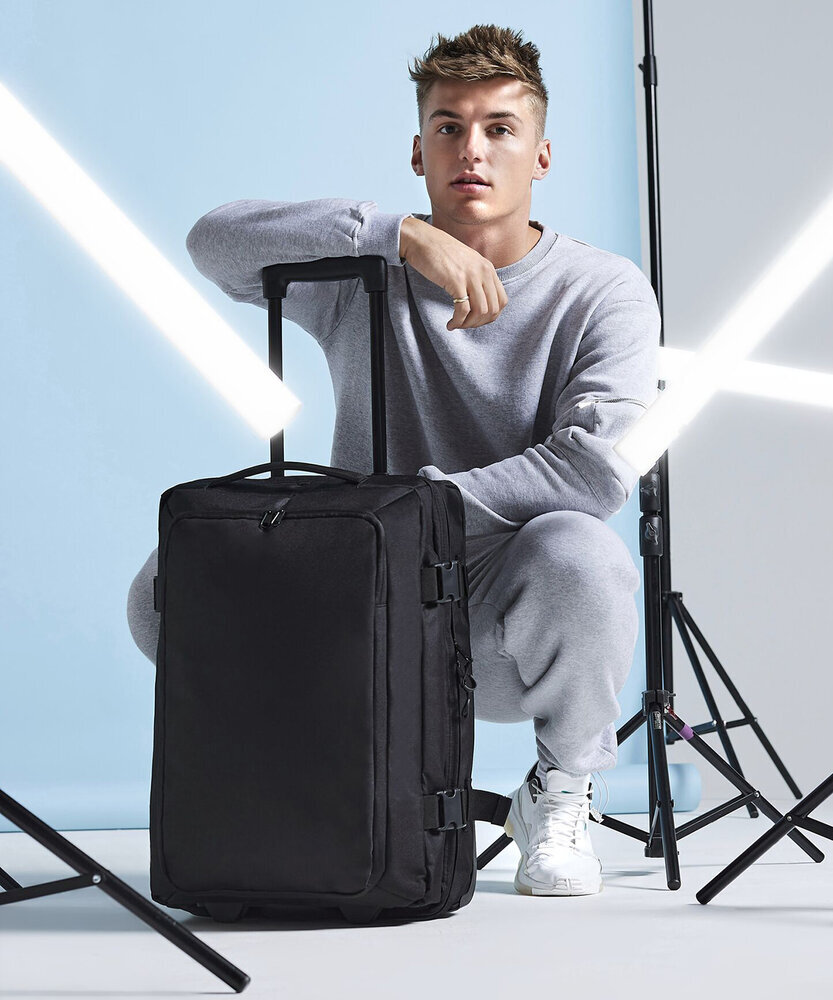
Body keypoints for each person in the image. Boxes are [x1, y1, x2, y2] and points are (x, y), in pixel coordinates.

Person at [127, 23, 660, 898]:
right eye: (448, 127)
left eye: (498, 128)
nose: (471, 149)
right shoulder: (361, 272)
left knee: (582, 554)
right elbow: (210, 242)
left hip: (495, 609)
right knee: (167, 587)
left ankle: (558, 792)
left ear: (541, 156)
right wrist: (396, 233)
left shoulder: (600, 288)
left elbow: (596, 469)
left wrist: (416, 512)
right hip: (361, 595)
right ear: (418, 152)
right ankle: (332, 767)